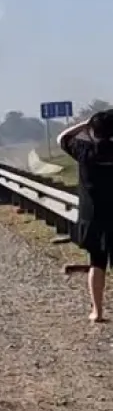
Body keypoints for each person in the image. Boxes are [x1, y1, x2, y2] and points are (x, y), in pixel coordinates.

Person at [57, 109, 113, 322]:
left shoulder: (84, 151)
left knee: (97, 263)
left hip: (94, 218)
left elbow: (62, 138)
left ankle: (97, 311)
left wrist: (85, 124)